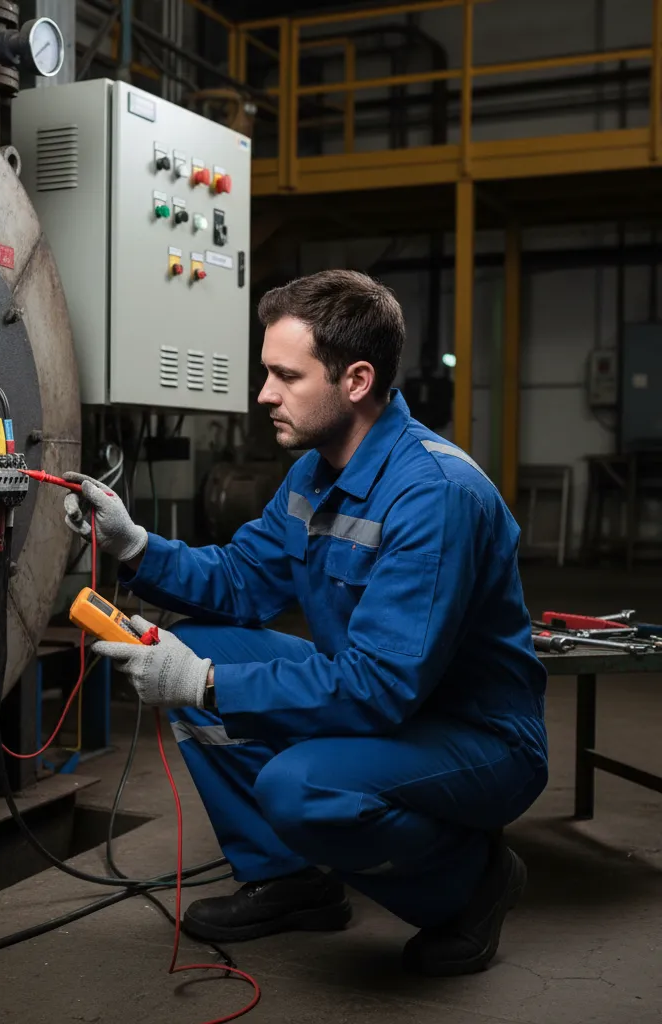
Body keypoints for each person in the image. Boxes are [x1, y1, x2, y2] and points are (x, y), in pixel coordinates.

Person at [61, 269, 548, 976]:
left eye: (286, 376)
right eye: (267, 373)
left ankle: (474, 884)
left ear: (355, 380)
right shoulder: (316, 473)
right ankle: (291, 880)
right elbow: (238, 580)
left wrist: (206, 685)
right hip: (394, 706)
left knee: (299, 784)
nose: (264, 395)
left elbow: (381, 686)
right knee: (191, 644)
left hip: (475, 736)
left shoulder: (436, 496)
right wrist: (131, 543)